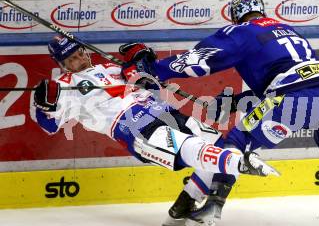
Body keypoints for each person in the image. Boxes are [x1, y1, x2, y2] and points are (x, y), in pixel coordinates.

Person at [131, 0, 319, 226]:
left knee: (232, 144)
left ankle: (209, 207)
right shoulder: (287, 29)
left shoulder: (243, 31)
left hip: (294, 98)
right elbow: (286, 73)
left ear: (236, 15)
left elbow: (202, 59)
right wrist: (240, 101)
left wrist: (156, 70)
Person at [31, 35, 280, 187]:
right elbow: (50, 126)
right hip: (131, 125)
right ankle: (241, 163)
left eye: (80, 53)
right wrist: (42, 106)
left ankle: (192, 203)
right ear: (62, 64)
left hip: (161, 109)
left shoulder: (108, 67)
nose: (81, 60)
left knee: (215, 141)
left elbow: (144, 76)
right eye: (72, 59)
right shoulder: (63, 87)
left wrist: (141, 59)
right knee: (186, 147)